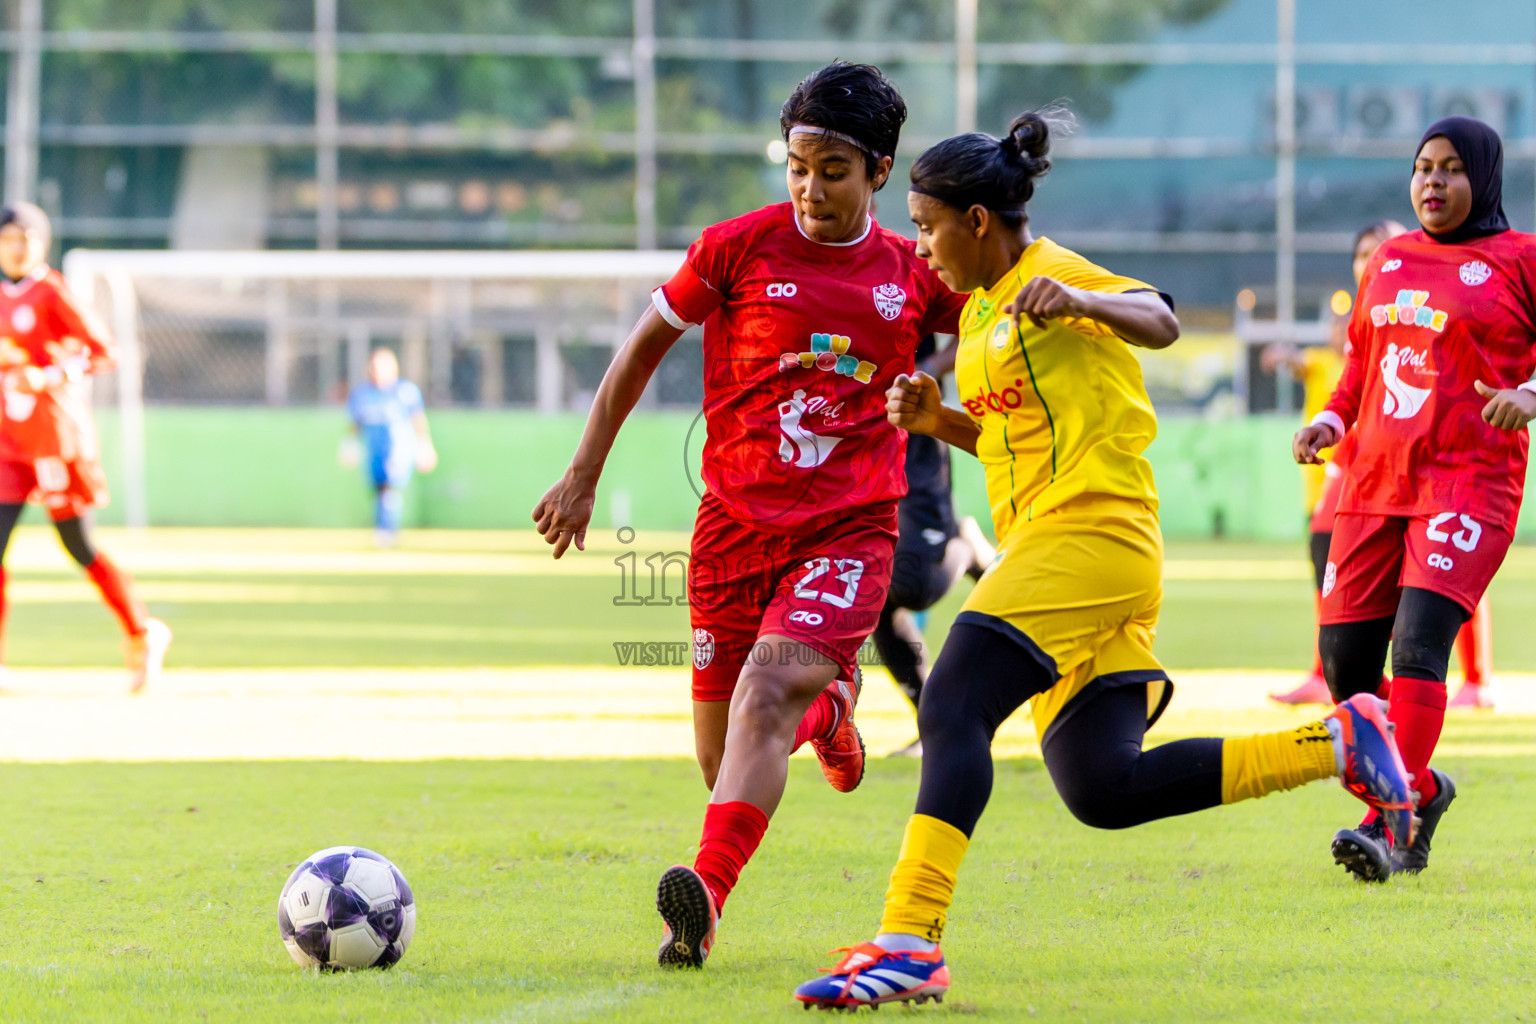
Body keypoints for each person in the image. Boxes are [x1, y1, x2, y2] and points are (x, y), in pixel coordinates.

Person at [792, 110, 1416, 1010]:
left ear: (977, 220)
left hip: (1091, 536)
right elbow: (1017, 440)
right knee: (1102, 786)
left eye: (926, 226)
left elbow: (1157, 317)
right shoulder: (979, 316)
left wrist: (1087, 303)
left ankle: (909, 940)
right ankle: (1340, 740)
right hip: (1074, 548)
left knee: (955, 698)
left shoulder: (1053, 275)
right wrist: (941, 423)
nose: (918, 245)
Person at [531, 61, 970, 969]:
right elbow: (643, 348)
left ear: (880, 171)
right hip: (730, 534)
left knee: (765, 698)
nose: (811, 187)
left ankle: (699, 910)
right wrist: (582, 474)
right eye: (798, 165)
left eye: (834, 170)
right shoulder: (736, 248)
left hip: (851, 530)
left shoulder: (915, 276)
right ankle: (835, 716)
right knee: (722, 755)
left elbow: (1000, 339)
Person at [1292, 116, 1536, 882]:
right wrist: (1333, 415)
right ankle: (1424, 791)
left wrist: (1530, 393)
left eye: (1453, 168)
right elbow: (1364, 358)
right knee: (1345, 667)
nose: (1433, 181)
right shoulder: (1390, 260)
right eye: (1423, 167)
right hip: (1373, 482)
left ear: (1485, 179)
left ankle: (1388, 819)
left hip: (1469, 481)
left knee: (1420, 644)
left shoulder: (1522, 259)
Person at [1268, 220, 1498, 710]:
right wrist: (1327, 417)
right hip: (1356, 464)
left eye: (1381, 249)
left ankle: (1475, 680)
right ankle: (1332, 673)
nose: (1372, 259)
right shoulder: (1357, 319)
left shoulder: (1434, 302)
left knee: (1440, 571)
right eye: (1363, 252)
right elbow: (1344, 380)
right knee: (1324, 547)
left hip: (1425, 469)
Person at [0, 202, 171, 693]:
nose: (17, 247)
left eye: (25, 238)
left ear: (41, 244)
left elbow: (105, 351)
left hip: (54, 439)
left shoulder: (51, 292)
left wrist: (50, 375)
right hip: (11, 442)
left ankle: (144, 631)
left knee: (77, 545)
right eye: (9, 237)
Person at [873, 332, 994, 758]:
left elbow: (975, 322)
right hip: (856, 439)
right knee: (871, 597)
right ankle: (933, 726)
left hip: (912, 433)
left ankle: (966, 542)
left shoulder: (924, 265)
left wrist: (928, 370)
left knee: (914, 586)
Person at [342, 347, 436, 548]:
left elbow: (417, 419)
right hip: (374, 448)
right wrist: (349, 444)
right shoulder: (362, 393)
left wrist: (424, 445)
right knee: (378, 489)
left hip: (398, 448)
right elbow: (355, 422)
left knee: (389, 488)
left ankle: (386, 530)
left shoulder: (405, 391)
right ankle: (383, 528)